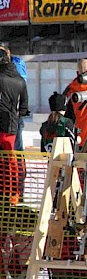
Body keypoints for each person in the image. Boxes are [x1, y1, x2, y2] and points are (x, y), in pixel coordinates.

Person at [0, 48, 29, 205]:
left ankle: (7, 194)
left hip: (3, 122)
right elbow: (24, 105)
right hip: (14, 122)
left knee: (7, 161)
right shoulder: (20, 77)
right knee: (14, 158)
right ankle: (16, 194)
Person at [0, 44, 27, 151]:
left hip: (7, 118)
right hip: (13, 117)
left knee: (11, 151)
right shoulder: (18, 75)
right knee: (14, 150)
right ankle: (20, 167)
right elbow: (24, 101)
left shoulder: (15, 66)